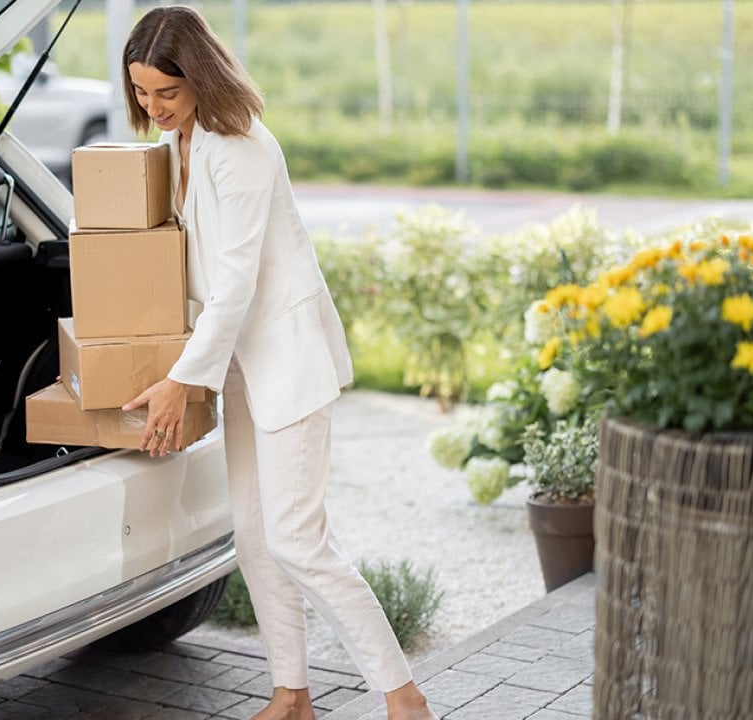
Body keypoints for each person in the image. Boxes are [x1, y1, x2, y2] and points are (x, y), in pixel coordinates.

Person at [119, 7, 437, 720]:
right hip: (238, 363)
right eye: (141, 94)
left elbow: (237, 286)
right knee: (256, 535)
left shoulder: (241, 150)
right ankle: (291, 697)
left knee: (297, 537)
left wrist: (179, 383)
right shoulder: (186, 140)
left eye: (165, 93)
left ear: (198, 76)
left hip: (287, 358)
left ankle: (403, 695)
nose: (153, 108)